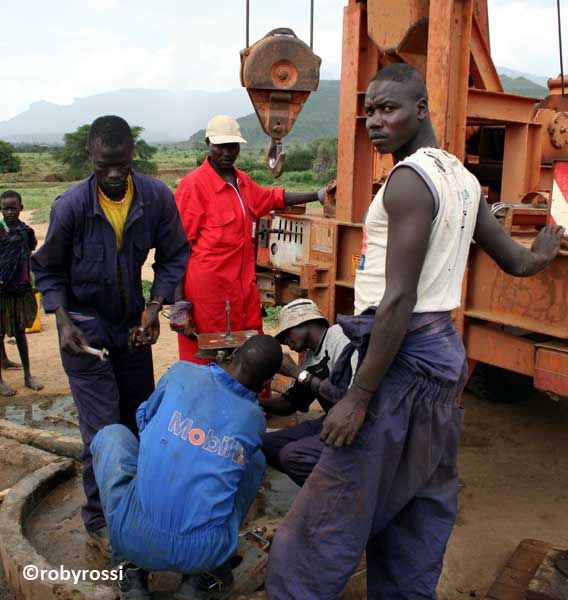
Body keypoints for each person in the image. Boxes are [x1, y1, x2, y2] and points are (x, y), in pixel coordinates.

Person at [266, 64, 567, 599]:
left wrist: (359, 397)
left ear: (422, 110)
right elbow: (514, 263)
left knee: (325, 521)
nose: (375, 122)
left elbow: (399, 298)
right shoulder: (463, 180)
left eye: (389, 109)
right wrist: (540, 254)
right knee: (417, 514)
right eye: (369, 112)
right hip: (442, 358)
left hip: (398, 359)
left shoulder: (408, 182)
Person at [31, 116, 189, 559]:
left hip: (131, 326)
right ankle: (101, 519)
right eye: (104, 167)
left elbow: (175, 254)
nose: (114, 175)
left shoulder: (156, 197)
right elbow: (46, 269)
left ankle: (139, 507)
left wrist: (154, 309)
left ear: (132, 157)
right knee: (103, 430)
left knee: (141, 418)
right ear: (91, 159)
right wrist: (62, 319)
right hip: (83, 329)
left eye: (121, 165)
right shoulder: (71, 207)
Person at [90, 335, 282, 600]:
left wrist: (180, 441)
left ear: (234, 353)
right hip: (204, 552)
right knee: (255, 461)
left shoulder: (181, 372)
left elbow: (144, 420)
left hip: (133, 536)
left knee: (112, 436)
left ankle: (127, 568)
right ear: (266, 384)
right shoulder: (254, 419)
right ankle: (204, 580)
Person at [171, 115, 334, 363]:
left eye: (232, 146)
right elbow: (176, 250)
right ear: (208, 144)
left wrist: (318, 194)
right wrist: (179, 304)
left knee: (249, 355)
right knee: (209, 360)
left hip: (243, 291)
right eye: (220, 145)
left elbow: (272, 198)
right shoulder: (193, 187)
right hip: (207, 296)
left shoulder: (241, 182)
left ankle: (251, 402)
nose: (227, 152)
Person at [261, 299, 358, 486]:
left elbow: (349, 399)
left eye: (287, 333)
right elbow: (289, 404)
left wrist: (295, 372)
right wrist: (254, 400)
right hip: (331, 420)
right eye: (281, 340)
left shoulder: (339, 336)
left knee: (293, 455)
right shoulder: (310, 360)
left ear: (305, 322)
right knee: (265, 445)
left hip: (352, 423)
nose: (286, 343)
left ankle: (340, 495)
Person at [0, 191, 43, 396]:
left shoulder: (26, 231)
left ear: (21, 208)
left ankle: (28, 375)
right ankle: (0, 379)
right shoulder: (0, 231)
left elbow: (29, 254)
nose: (9, 212)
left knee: (19, 331)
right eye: (5, 208)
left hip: (21, 288)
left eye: (13, 208)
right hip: (1, 290)